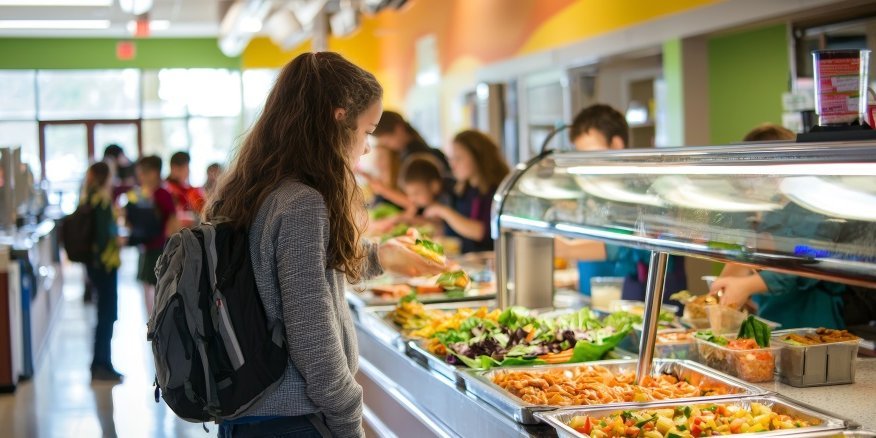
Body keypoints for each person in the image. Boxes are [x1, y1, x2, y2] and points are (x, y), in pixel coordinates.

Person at [203, 52, 436, 438]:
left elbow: (296, 272)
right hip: (291, 421)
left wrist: (380, 255)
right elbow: (311, 333)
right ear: (338, 119)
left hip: (257, 415)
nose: (366, 148)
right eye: (368, 131)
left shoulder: (265, 187)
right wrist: (348, 421)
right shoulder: (302, 203)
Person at [710, 124, 848, 329]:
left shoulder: (813, 206)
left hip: (812, 321)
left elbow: (805, 262)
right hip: (771, 316)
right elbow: (746, 259)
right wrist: (721, 292)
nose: (751, 181)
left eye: (757, 173)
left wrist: (747, 286)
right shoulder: (766, 209)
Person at [555, 104, 687, 303]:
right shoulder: (589, 188)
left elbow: (637, 246)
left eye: (591, 153)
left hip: (645, 304)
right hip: (593, 299)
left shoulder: (648, 188)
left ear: (616, 144)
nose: (586, 163)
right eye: (581, 155)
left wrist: (568, 249)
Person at [424, 130, 509, 253]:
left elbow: (481, 232)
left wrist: (443, 211)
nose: (453, 165)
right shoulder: (466, 190)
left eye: (458, 158)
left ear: (478, 157)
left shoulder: (496, 192)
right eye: (451, 159)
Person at [81, 162, 123, 381]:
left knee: (103, 315)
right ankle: (102, 365)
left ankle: (101, 363)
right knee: (107, 316)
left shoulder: (88, 197)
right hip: (105, 265)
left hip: (96, 266)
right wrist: (118, 239)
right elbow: (105, 236)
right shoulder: (102, 201)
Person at [130, 156, 177, 317]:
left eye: (143, 173)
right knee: (146, 285)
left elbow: (172, 220)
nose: (140, 177)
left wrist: (170, 245)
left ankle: (159, 320)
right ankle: (150, 320)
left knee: (159, 286)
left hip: (159, 247)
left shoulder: (163, 194)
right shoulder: (140, 193)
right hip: (145, 246)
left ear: (154, 173)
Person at [165, 151, 205, 227]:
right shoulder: (168, 190)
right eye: (185, 167)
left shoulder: (188, 189)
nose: (188, 171)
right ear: (174, 168)